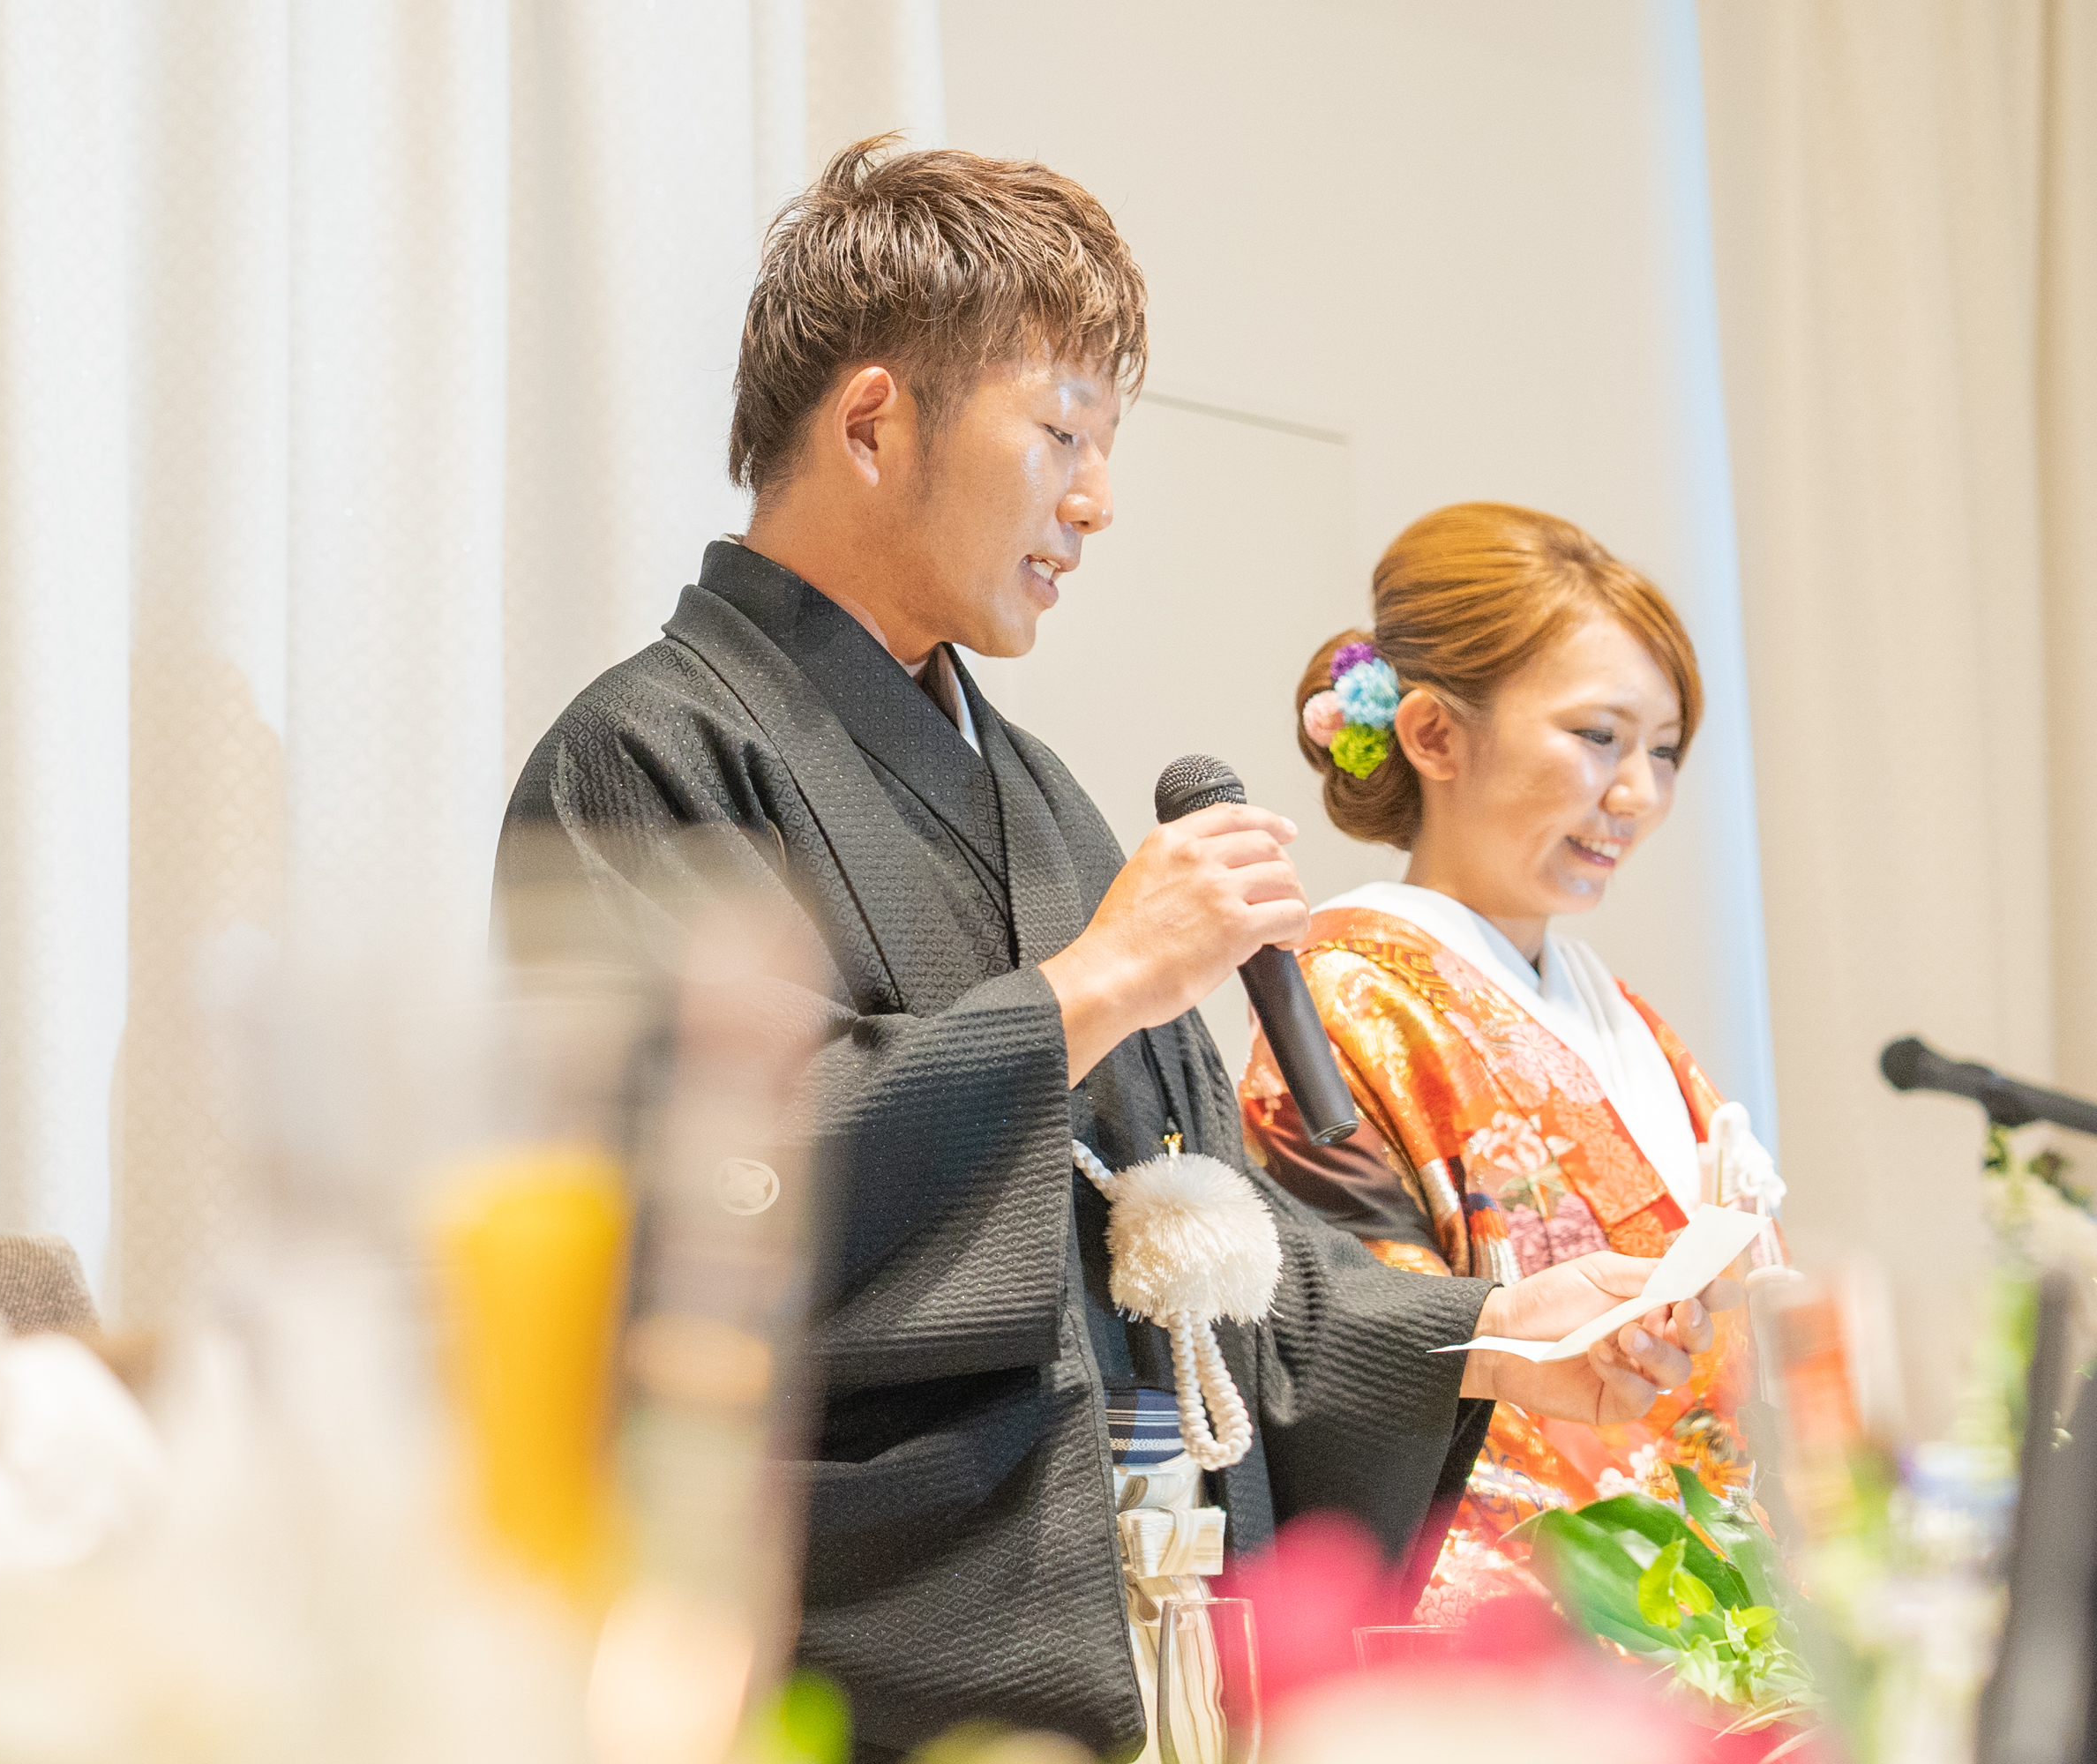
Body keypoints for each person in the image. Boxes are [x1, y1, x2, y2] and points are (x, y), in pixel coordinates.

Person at [496, 145, 1735, 1759]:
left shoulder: (1042, 801)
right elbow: (696, 1214)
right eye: (1062, 434)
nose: (1095, 499)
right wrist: (1094, 989)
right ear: (872, 423)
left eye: (1106, 447)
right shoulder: (648, 755)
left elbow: (1195, 1238)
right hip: (862, 1666)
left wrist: (1500, 1334)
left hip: (1158, 1637)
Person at [1241, 502, 1789, 1626]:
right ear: (1435, 735)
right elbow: (1356, 1338)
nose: (1637, 794)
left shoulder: (1622, 1016)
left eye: (1664, 750)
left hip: (1709, 1603)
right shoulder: (1343, 996)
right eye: (1599, 736)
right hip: (1524, 1621)